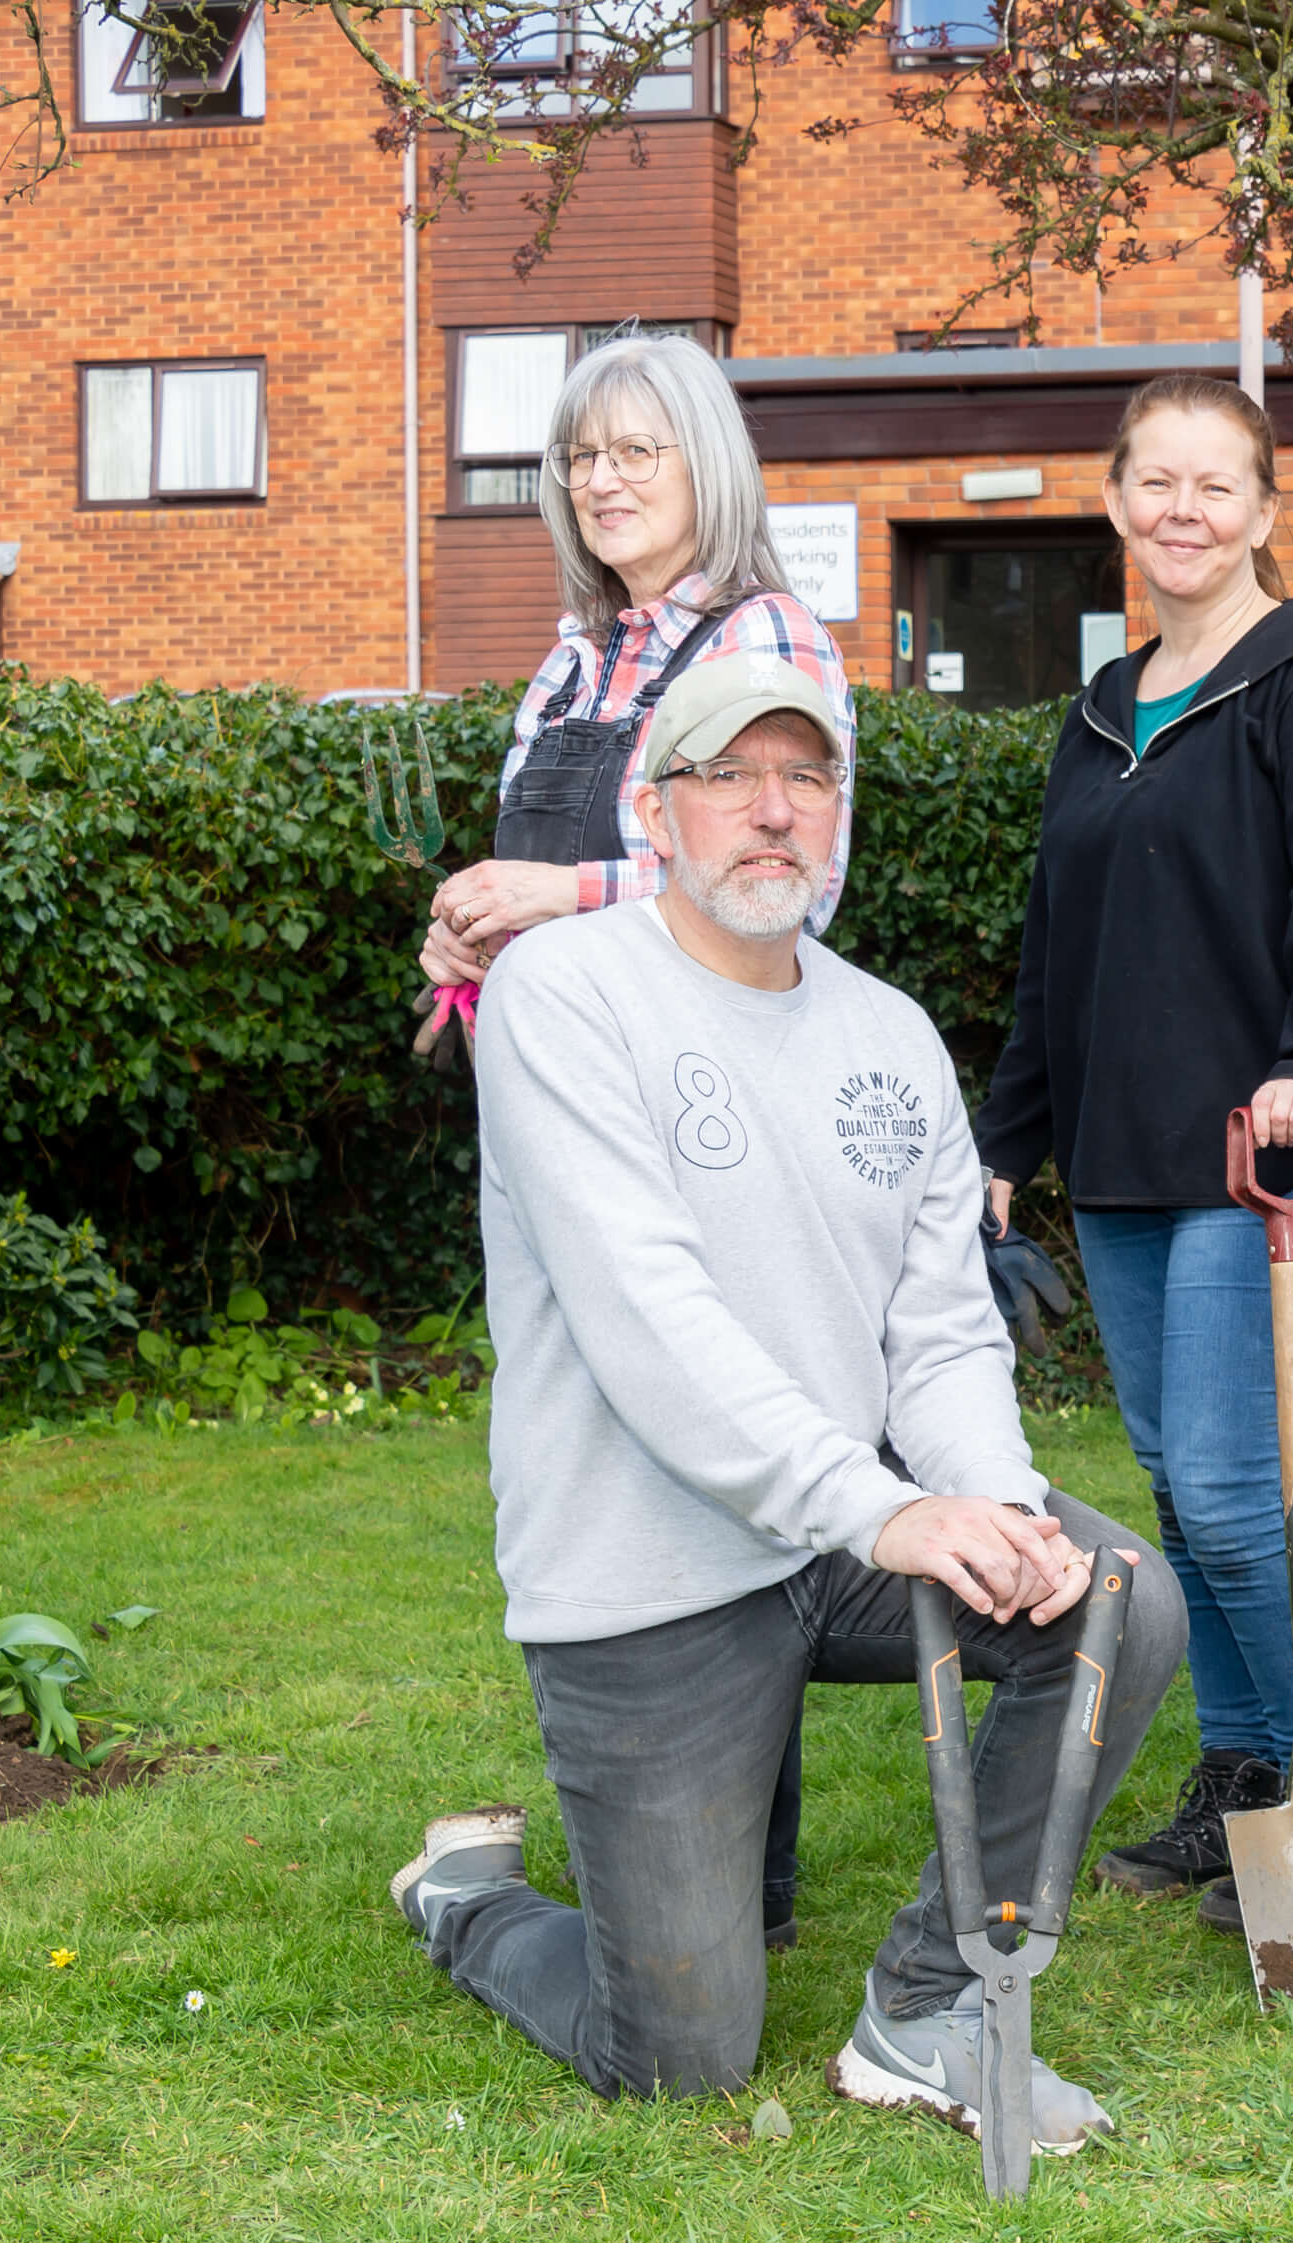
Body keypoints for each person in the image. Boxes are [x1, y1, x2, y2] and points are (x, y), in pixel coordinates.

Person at [390, 651, 1185, 2148]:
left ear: (836, 812)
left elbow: (941, 1329)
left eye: (804, 777)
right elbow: (651, 1325)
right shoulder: (564, 995)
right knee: (680, 2047)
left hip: (838, 1538)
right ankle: (467, 1903)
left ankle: (931, 2007)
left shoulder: (884, 1033)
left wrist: (1000, 1510)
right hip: (646, 1574)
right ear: (658, 807)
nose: (770, 812)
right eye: (729, 776)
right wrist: (883, 1508)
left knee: (1110, 1598)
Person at [415, 329, 858, 1956]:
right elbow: (539, 859)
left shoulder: (770, 636)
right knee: (597, 1474)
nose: (603, 481)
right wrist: (467, 931)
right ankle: (684, 1863)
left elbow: (796, 879)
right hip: (557, 1116)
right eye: (582, 457)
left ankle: (741, 1878)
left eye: (636, 452)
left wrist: (562, 896)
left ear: (706, 466)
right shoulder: (578, 653)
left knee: (719, 1459)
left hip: (701, 1114)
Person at [972, 376, 1293, 1937]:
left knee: (1230, 1498)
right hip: (1124, 1162)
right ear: (1116, 503)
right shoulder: (1104, 709)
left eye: (1216, 485)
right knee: (1176, 1480)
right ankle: (1238, 1785)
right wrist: (1005, 1140)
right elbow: (1054, 953)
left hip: (1262, 1156)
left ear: (1266, 509)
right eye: (1155, 483)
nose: (1183, 512)